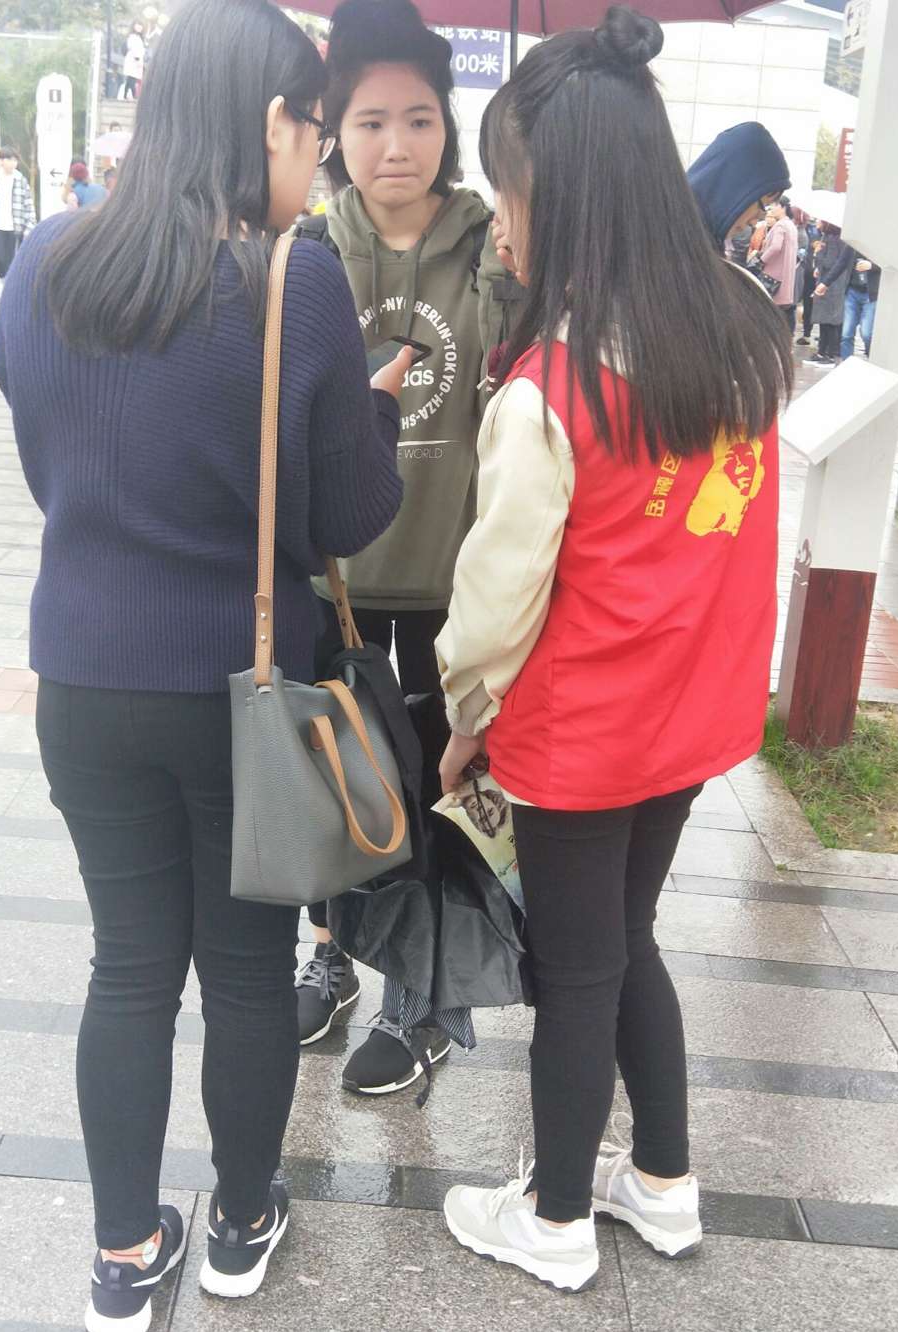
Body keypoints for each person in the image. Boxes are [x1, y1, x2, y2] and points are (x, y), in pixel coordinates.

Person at [0, 1, 408, 1328]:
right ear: (271, 121)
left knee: (126, 964)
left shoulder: (43, 262)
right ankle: (237, 1220)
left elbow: (49, 456)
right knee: (241, 969)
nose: (320, 163)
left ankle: (123, 1255)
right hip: (243, 690)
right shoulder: (295, 281)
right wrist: (375, 411)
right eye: (315, 132)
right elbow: (347, 517)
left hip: (83, 681)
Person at [435, 6, 792, 1294]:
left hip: (581, 735)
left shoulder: (550, 384)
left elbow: (495, 604)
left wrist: (462, 714)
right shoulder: (740, 342)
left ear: (567, 205)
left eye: (509, 196)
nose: (502, 227)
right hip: (690, 722)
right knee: (627, 937)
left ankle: (552, 1215)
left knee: (576, 966)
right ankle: (663, 1182)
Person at [290, 0, 506, 1097]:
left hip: (449, 584)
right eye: (369, 122)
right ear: (333, 130)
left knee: (429, 784)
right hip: (334, 575)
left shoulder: (492, 248)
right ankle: (331, 954)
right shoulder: (308, 251)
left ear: (447, 125)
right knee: (336, 780)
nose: (395, 146)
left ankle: (419, 998)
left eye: (418, 118)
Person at [686, 121, 790, 255]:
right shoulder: (674, 239)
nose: (754, 222)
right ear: (736, 190)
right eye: (762, 206)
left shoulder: (695, 237)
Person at [0, 147, 37, 290]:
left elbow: (28, 204)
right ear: (1, 161)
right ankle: (4, 280)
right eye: (9, 160)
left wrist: (29, 226)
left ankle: (8, 286)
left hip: (16, 227)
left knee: (12, 259)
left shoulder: (21, 180)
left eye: (15, 160)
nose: (13, 163)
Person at [807, 222, 849, 365]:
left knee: (828, 320)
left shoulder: (831, 239)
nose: (818, 222)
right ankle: (822, 352)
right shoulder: (837, 237)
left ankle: (828, 354)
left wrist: (818, 253)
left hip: (830, 285)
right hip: (834, 284)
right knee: (826, 320)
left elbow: (829, 262)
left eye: (820, 221)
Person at [760, 196, 798, 332]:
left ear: (783, 207)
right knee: (782, 314)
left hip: (774, 277)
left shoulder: (780, 225)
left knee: (770, 314)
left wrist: (762, 259)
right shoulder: (791, 225)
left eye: (774, 206)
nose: (772, 209)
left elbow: (776, 247)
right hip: (786, 277)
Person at [840, 251, 880, 360]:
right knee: (846, 333)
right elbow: (841, 262)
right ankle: (846, 363)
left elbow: (890, 265)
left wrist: (871, 266)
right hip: (852, 291)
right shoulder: (853, 246)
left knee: (867, 333)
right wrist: (825, 283)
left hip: (870, 294)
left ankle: (872, 358)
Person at [122, 21, 146, 99]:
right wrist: (137, 59)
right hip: (133, 61)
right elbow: (134, 49)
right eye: (137, 25)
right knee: (132, 79)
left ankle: (125, 94)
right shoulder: (132, 37)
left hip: (136, 61)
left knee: (130, 79)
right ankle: (134, 95)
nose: (139, 27)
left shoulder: (139, 38)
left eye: (140, 26)